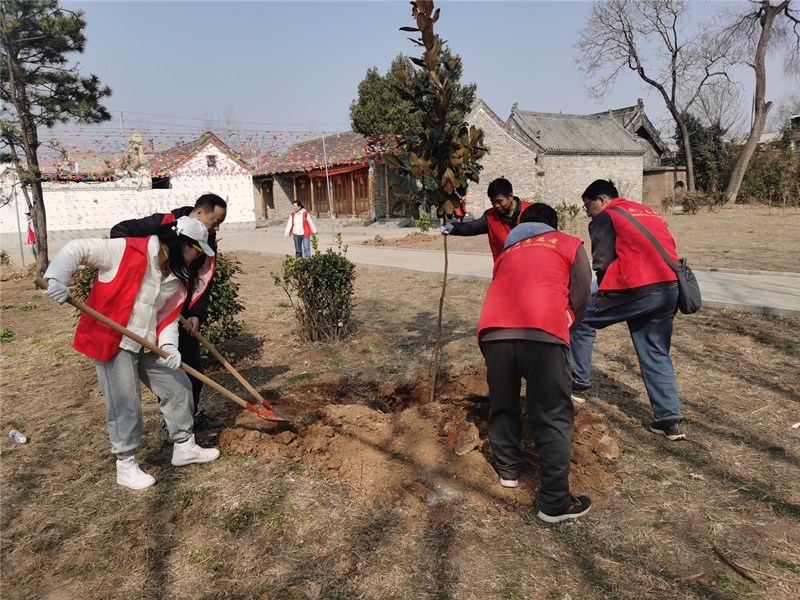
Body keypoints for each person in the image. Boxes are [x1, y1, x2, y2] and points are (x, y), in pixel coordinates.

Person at [41, 216, 221, 490]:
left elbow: (167, 317)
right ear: (179, 242)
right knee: (125, 403)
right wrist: (57, 277)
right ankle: (125, 464)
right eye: (195, 251)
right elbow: (76, 248)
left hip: (146, 340)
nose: (195, 259)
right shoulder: (127, 249)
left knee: (178, 385)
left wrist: (169, 346)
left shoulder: (176, 277)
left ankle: (184, 445)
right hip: (113, 340)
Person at [477, 202, 593, 523]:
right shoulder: (568, 244)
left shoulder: (505, 254)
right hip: (543, 333)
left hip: (494, 332)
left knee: (503, 403)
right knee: (552, 413)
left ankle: (509, 471)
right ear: (553, 225)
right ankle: (554, 503)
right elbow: (583, 295)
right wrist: (565, 322)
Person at [570, 179, 685, 441]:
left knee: (581, 320)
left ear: (601, 199)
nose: (587, 211)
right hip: (669, 287)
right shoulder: (646, 211)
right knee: (655, 351)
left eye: (587, 206)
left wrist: (595, 293)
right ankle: (670, 420)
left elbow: (602, 262)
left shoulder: (606, 217)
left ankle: (576, 385)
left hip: (636, 288)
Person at [111, 193, 227, 431]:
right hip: (155, 308)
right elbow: (119, 232)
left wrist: (196, 313)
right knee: (169, 373)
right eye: (215, 221)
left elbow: (204, 279)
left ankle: (190, 416)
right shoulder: (166, 223)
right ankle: (171, 425)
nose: (216, 227)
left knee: (193, 368)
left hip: (181, 309)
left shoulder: (208, 240)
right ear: (199, 212)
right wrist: (149, 271)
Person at [440, 178, 533, 260]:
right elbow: (472, 227)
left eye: (499, 201)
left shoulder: (531, 211)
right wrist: (453, 228)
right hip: (504, 270)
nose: (496, 206)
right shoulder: (490, 216)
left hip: (531, 268)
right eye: (493, 202)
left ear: (510, 196)